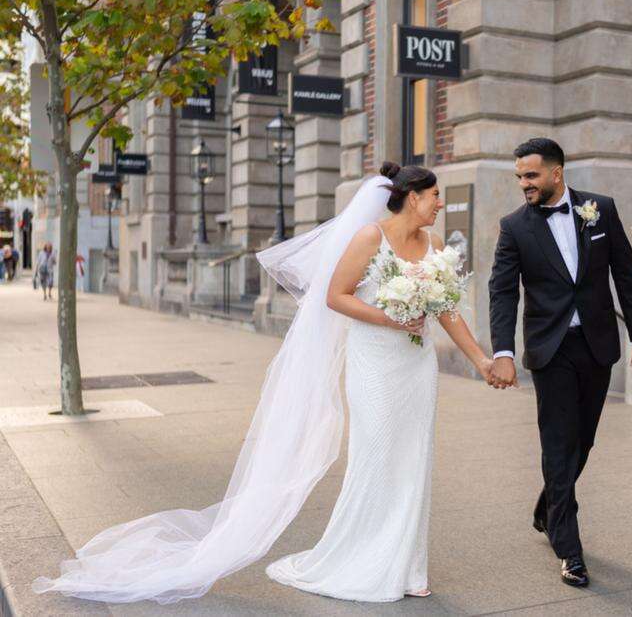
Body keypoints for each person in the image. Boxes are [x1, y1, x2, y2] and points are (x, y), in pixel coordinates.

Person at [33, 164, 498, 604]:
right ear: (413, 197)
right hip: (375, 364)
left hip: (416, 370)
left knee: (414, 460)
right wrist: (390, 318)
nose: (440, 203)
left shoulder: (435, 244)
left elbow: (446, 309)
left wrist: (481, 361)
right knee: (375, 460)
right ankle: (364, 560)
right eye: (435, 196)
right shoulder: (368, 238)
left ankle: (409, 568)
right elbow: (334, 297)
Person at [488, 137, 632, 588]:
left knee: (583, 441)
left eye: (532, 175)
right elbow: (503, 291)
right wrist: (502, 351)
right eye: (519, 176)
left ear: (557, 174)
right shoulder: (515, 227)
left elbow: (625, 274)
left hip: (597, 344)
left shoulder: (600, 209)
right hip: (550, 349)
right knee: (559, 445)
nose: (524, 183)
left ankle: (546, 509)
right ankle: (570, 549)